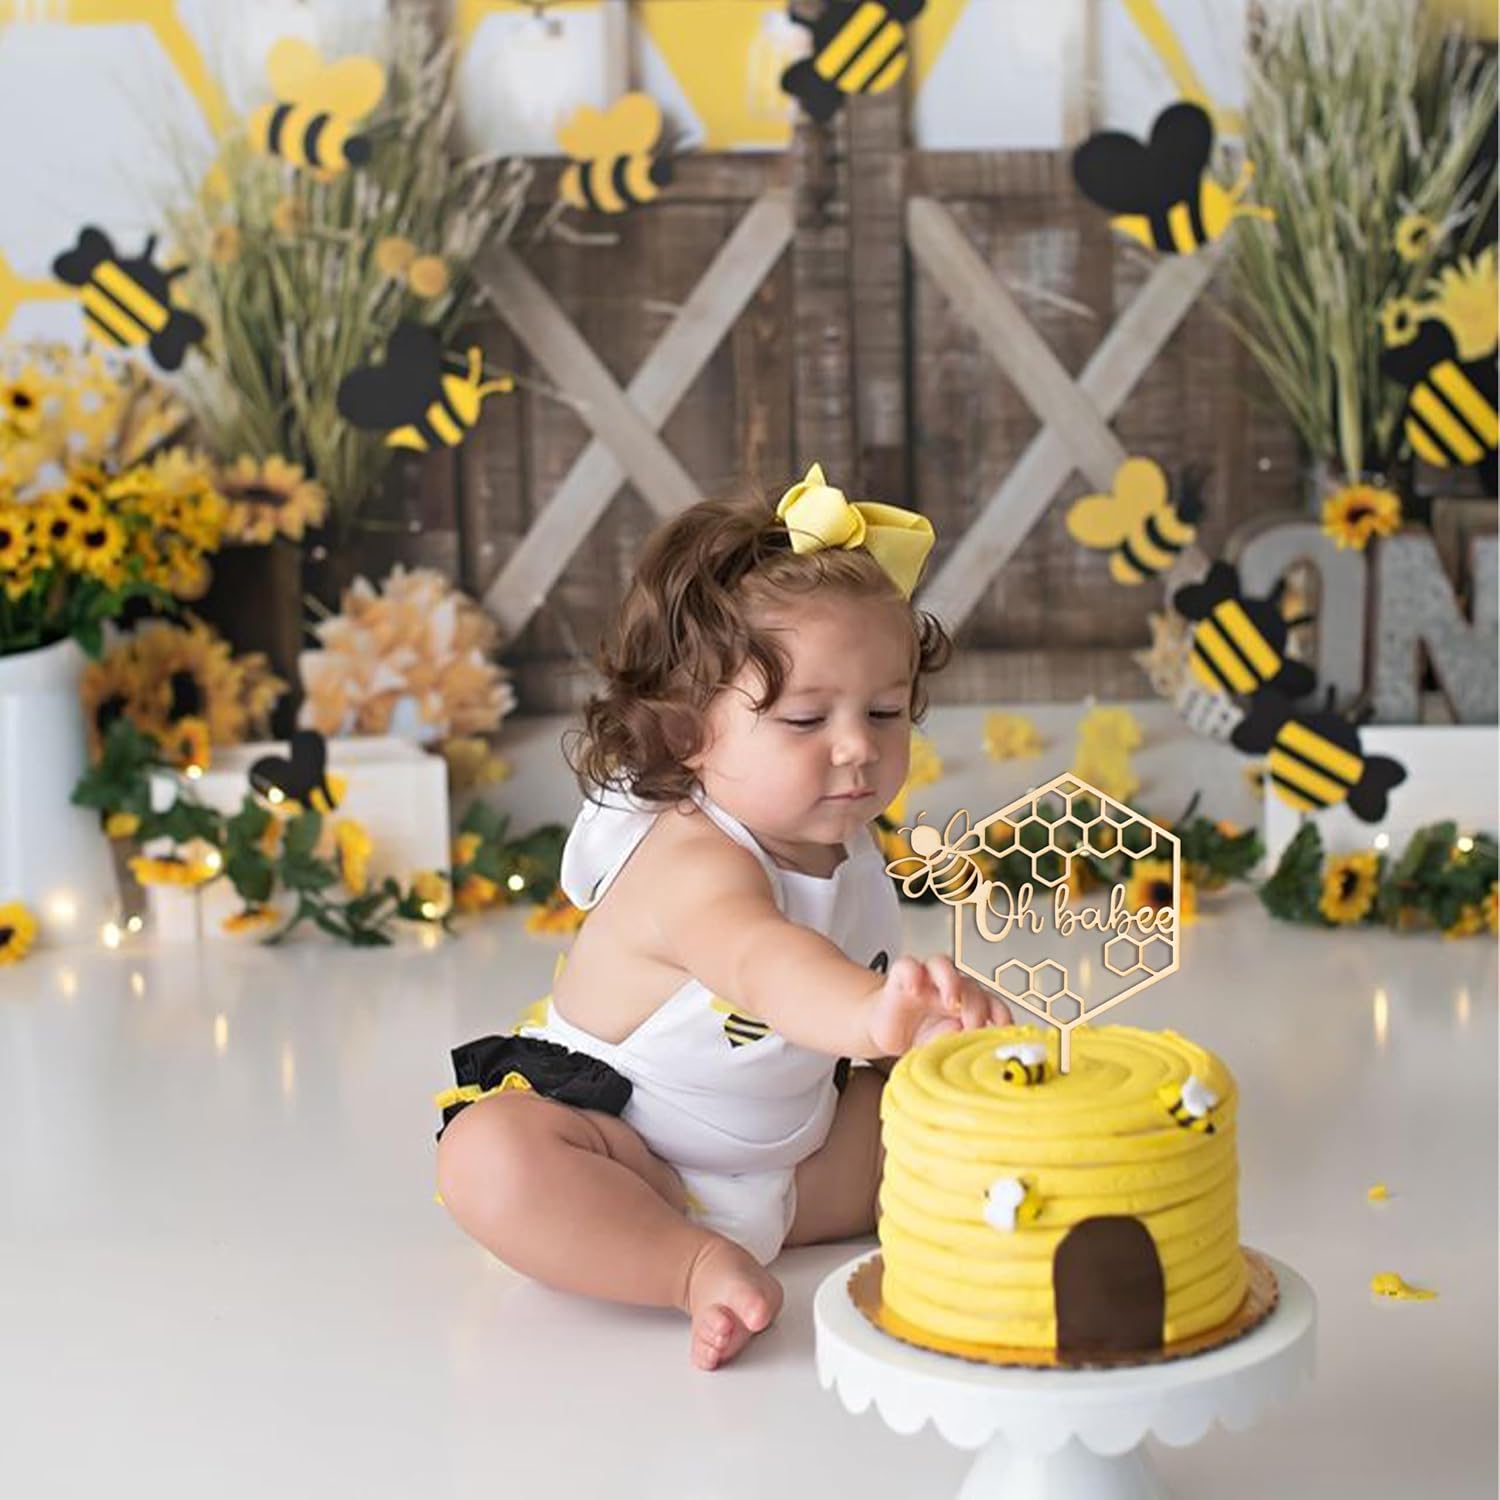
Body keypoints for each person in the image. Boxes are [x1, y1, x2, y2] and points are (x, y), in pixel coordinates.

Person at [435, 464, 1012, 1371]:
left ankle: (988, 1196)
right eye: (805, 720)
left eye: (886, 711)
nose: (858, 746)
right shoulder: (694, 861)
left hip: (805, 1164)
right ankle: (688, 1264)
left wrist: (931, 1028)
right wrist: (875, 1013)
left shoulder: (849, 841)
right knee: (491, 1158)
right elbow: (764, 964)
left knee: (956, 1111)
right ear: (686, 733)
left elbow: (860, 1008)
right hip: (635, 1160)